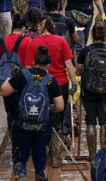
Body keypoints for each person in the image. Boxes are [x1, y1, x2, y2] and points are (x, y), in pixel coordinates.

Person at [0, 45, 64, 181]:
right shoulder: (51, 80)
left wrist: (9, 78)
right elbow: (60, 106)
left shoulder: (22, 75)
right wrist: (48, 110)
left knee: (19, 158)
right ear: (48, 66)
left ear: (33, 62)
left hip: (22, 125)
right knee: (40, 160)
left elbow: (4, 92)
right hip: (43, 127)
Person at [26, 15, 77, 168]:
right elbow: (69, 64)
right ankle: (56, 158)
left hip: (40, 84)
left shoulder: (32, 42)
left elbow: (29, 68)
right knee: (58, 121)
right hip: (60, 84)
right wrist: (74, 84)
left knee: (40, 118)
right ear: (51, 26)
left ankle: (41, 157)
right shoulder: (61, 41)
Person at [76, 22, 106, 160]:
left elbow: (78, 71)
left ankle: (92, 155)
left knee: (90, 121)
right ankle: (104, 155)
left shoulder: (85, 51)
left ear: (92, 34)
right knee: (105, 120)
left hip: (89, 91)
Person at [0, 15, 33, 132]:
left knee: (10, 112)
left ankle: (13, 135)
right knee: (24, 110)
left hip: (6, 82)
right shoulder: (27, 41)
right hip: (23, 82)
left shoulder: (1, 42)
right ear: (23, 28)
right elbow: (29, 64)